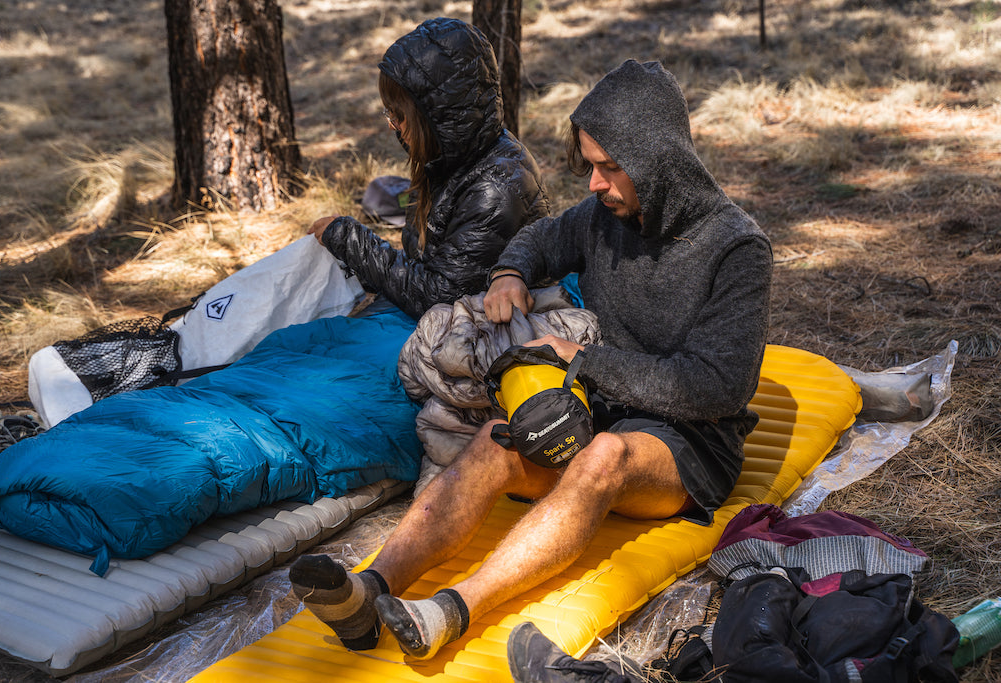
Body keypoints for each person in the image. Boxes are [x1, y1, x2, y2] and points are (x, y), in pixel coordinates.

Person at [289, 59, 773, 660]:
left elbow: (717, 388)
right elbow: (541, 238)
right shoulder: (606, 216)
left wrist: (585, 362)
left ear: (660, 159)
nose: (595, 184)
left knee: (604, 456)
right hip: (605, 410)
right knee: (498, 438)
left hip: (689, 446)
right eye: (590, 165)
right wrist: (509, 273)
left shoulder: (737, 248)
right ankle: (368, 591)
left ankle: (453, 609)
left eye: (610, 168)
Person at [307, 17, 549, 321]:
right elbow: (423, 263)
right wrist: (350, 259)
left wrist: (352, 243)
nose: (394, 127)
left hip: (477, 333)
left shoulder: (495, 188)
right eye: (389, 114)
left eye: (399, 115)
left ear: (438, 115)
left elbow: (438, 298)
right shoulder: (449, 159)